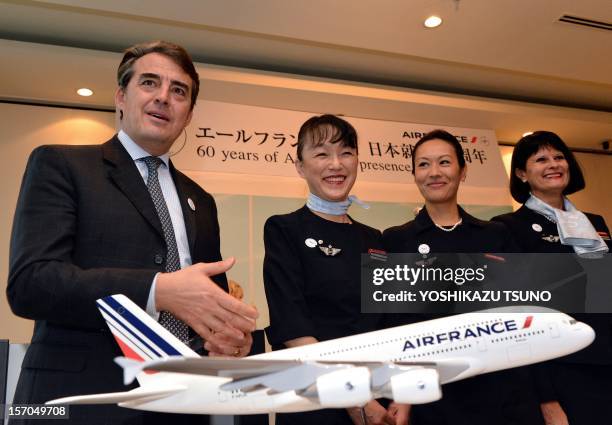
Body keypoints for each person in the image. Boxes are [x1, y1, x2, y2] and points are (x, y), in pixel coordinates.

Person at [7, 40, 258, 425]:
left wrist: (229, 339)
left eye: (179, 91)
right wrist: (157, 291)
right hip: (79, 404)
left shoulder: (201, 201)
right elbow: (31, 284)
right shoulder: (61, 165)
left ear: (189, 114)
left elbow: (207, 305)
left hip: (180, 406)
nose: (163, 98)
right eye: (149, 83)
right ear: (121, 96)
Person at [382, 129, 543, 425]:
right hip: (434, 397)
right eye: (423, 164)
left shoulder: (497, 235)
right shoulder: (396, 241)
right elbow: (397, 328)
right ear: (414, 174)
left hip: (503, 391)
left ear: (462, 171)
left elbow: (522, 312)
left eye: (444, 162)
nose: (434, 173)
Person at [263, 114, 409, 425]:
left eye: (346, 152)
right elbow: (293, 328)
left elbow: (391, 324)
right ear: (300, 166)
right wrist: (357, 401)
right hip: (317, 402)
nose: (336, 164)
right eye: (321, 154)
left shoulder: (373, 239)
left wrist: (401, 395)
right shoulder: (284, 229)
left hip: (379, 400)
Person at [492, 131, 612, 425]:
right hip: (562, 369)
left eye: (559, 157)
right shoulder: (508, 227)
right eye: (541, 159)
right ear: (521, 173)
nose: (554, 164)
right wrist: (545, 397)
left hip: (606, 358)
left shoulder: (594, 223)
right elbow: (521, 314)